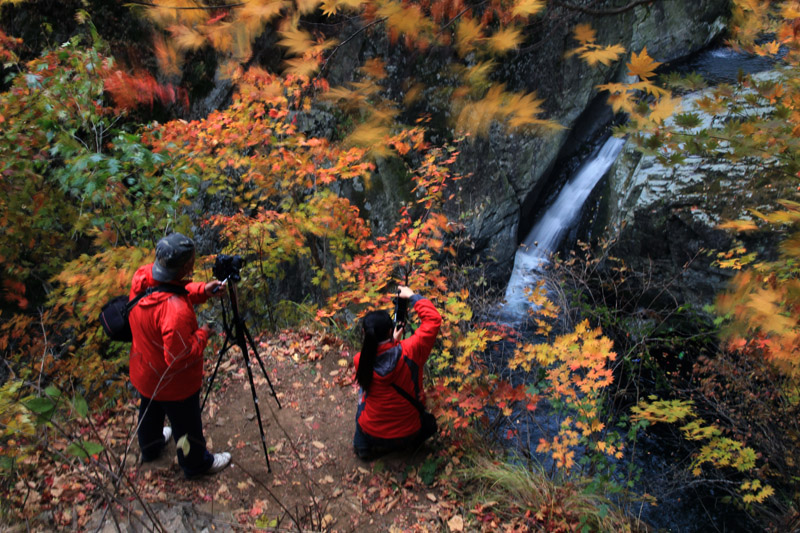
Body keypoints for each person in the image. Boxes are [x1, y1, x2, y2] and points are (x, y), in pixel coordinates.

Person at [128, 232, 231, 478]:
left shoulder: (142, 277)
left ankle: (150, 447)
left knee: (150, 412)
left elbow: (171, 288)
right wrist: (203, 334)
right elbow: (179, 358)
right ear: (186, 266)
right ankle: (196, 464)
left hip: (145, 370)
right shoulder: (175, 314)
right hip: (174, 384)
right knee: (186, 424)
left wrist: (203, 291)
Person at [353, 286, 442, 460]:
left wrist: (392, 342)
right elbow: (433, 319)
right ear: (389, 330)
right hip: (408, 433)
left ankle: (362, 446)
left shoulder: (360, 360)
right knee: (430, 424)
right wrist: (412, 295)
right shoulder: (411, 352)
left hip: (372, 432)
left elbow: (380, 356)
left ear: (364, 333)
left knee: (362, 396)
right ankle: (412, 448)